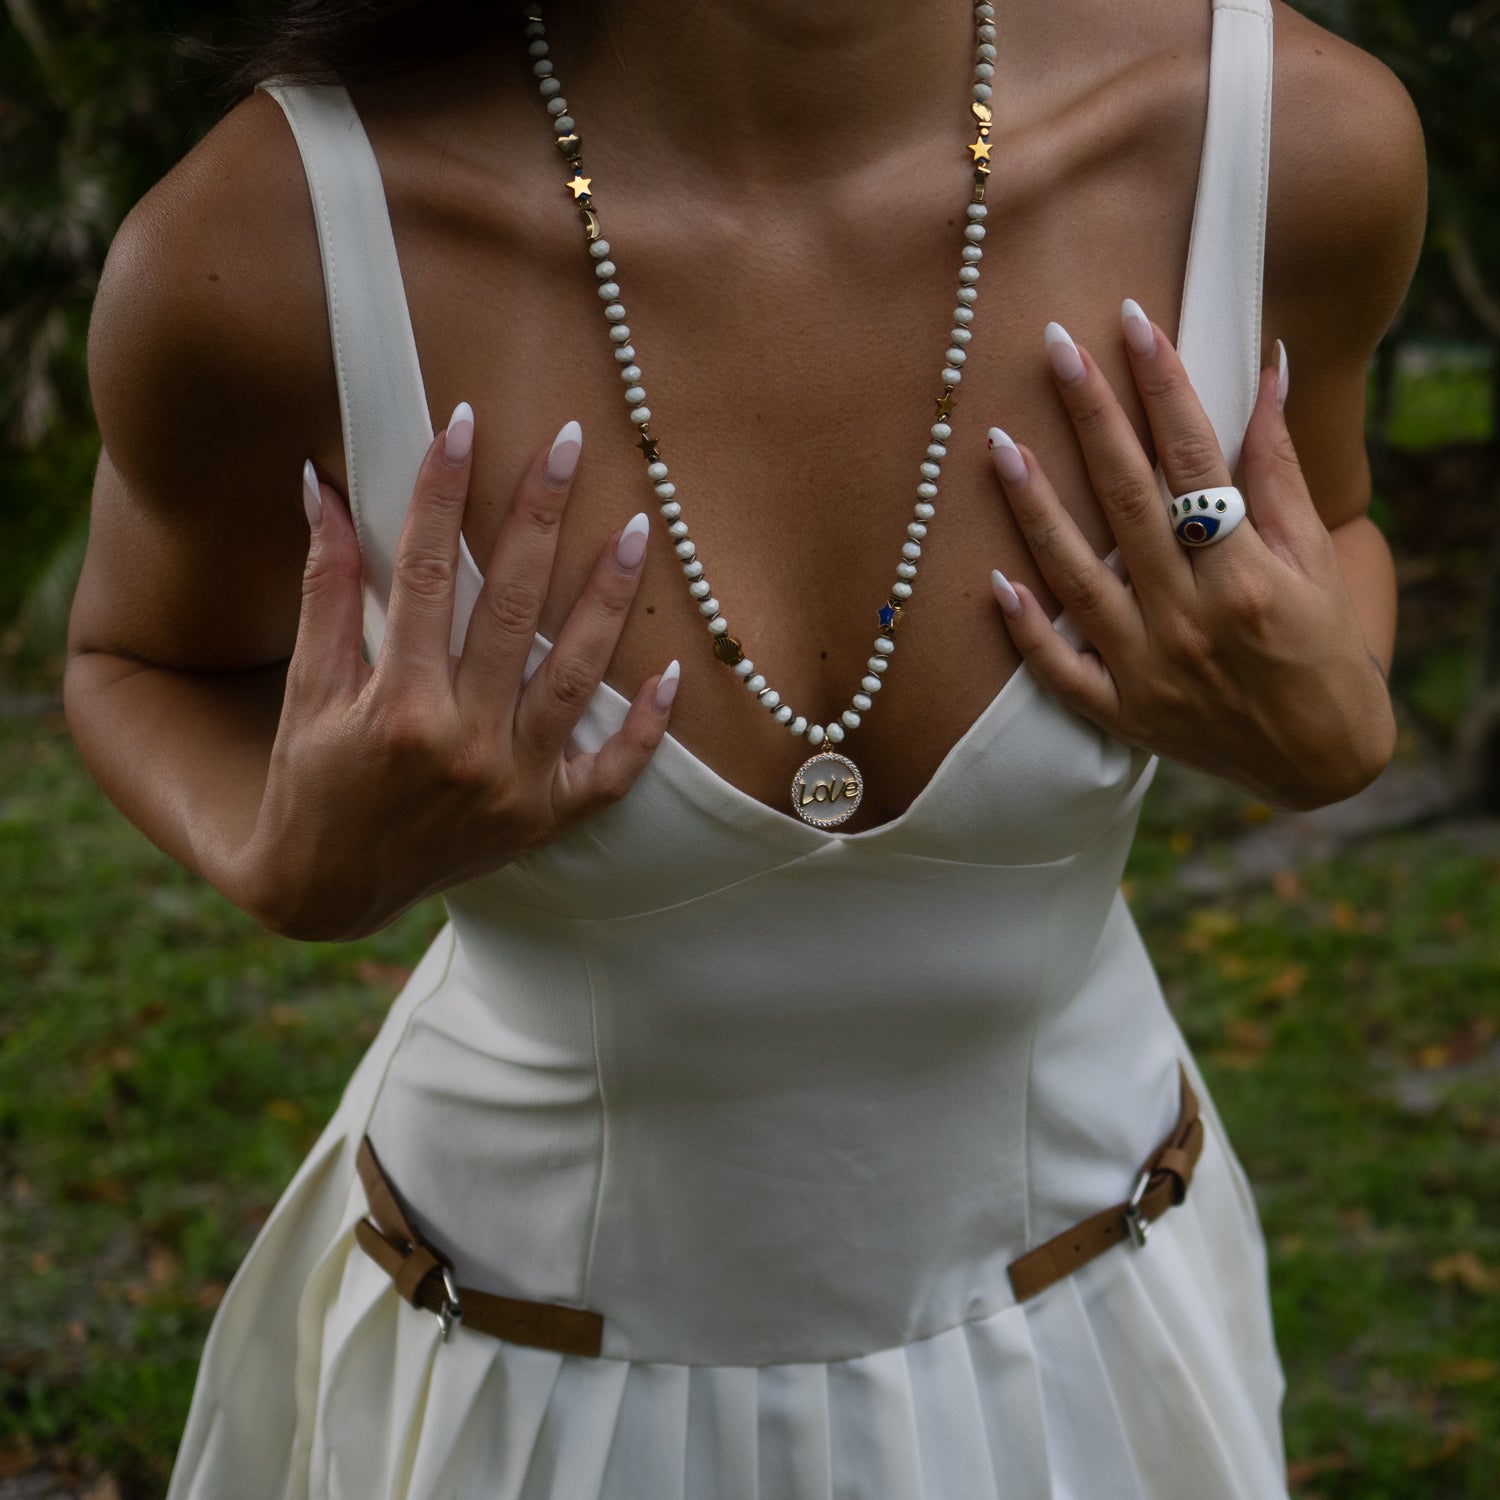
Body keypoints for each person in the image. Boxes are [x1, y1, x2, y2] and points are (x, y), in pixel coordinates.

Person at [66, 0, 1425, 1493]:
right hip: (522, 1398)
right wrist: (277, 864)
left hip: (1097, 1361)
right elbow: (133, 657)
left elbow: (1327, 522)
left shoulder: (1284, 138)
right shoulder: (266, 246)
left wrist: (1343, 708)